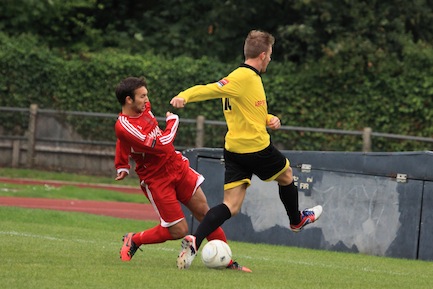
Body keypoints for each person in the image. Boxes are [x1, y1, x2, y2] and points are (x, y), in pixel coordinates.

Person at [170, 30, 323, 270]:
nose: (271, 59)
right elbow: (210, 89)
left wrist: (270, 119)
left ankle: (194, 240)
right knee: (287, 176)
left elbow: (251, 113)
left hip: (234, 150)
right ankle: (296, 220)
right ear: (262, 55)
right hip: (256, 148)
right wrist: (184, 96)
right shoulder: (244, 78)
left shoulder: (244, 78)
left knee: (230, 206)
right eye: (270, 55)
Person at [114, 76, 251, 272]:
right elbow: (161, 144)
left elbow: (127, 141)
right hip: (156, 178)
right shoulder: (124, 125)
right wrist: (173, 121)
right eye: (142, 96)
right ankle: (134, 239)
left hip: (176, 165)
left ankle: (228, 262)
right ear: (129, 100)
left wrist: (122, 165)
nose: (147, 100)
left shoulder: (142, 107)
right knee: (179, 230)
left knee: (205, 213)